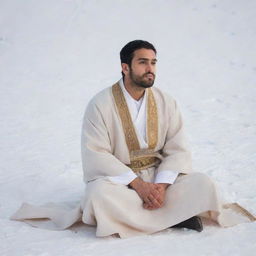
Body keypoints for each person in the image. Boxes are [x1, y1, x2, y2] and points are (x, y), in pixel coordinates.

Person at [11, 40, 255, 238]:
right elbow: (96, 153)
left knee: (204, 183)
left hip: (160, 180)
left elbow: (178, 148)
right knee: (99, 196)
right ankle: (177, 216)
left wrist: (161, 186)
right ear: (125, 67)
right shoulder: (100, 104)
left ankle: (144, 219)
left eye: (153, 63)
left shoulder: (166, 101)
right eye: (142, 62)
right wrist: (139, 186)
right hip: (122, 183)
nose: (150, 69)